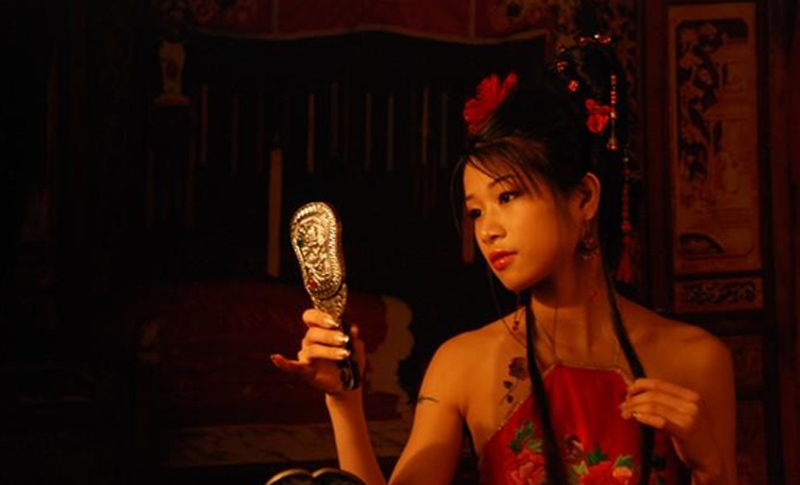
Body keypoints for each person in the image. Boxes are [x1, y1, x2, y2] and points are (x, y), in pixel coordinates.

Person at [271, 36, 737, 485]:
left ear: (584, 197)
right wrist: (345, 401)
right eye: (476, 211)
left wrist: (711, 470)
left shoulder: (694, 360)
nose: (487, 229)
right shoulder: (463, 364)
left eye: (508, 196)